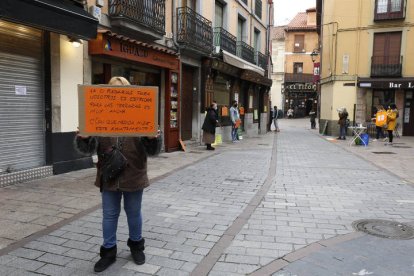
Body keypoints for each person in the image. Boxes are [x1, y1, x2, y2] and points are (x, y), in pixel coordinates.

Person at [75, 77, 161, 272]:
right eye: (112, 92)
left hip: (134, 174)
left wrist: (152, 138)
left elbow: (154, 149)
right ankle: (108, 251)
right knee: (109, 214)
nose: (117, 97)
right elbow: (88, 148)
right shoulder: (98, 116)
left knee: (133, 213)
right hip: (109, 174)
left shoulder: (140, 115)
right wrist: (85, 137)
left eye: (122, 92)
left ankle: (136, 245)